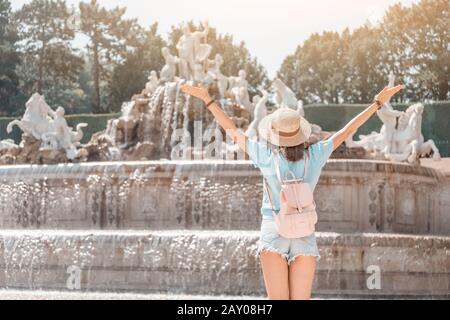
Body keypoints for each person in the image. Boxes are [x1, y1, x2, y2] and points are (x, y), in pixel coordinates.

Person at [181, 84, 403, 300]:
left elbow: (233, 131)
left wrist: (207, 99)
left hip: (273, 229)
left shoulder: (267, 156)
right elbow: (348, 130)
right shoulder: (316, 154)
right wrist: (376, 103)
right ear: (300, 133)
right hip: (303, 231)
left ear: (275, 134)